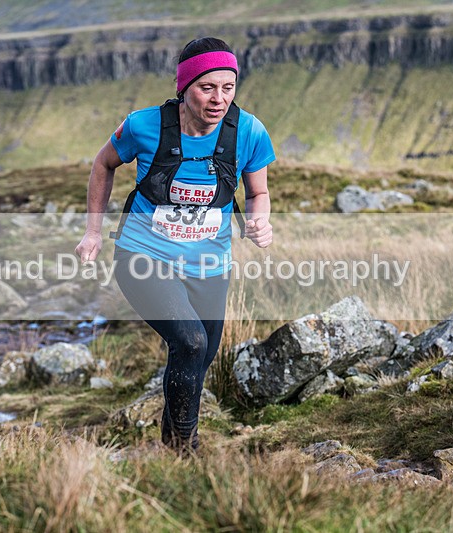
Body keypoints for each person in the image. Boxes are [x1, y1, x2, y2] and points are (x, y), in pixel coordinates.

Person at [75, 37, 276, 454]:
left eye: (228, 87)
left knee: (199, 359)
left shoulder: (249, 132)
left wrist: (260, 219)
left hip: (210, 262)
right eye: (207, 88)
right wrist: (94, 231)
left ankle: (169, 445)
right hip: (143, 256)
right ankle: (187, 450)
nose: (219, 99)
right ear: (184, 88)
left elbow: (258, 193)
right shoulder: (143, 126)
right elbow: (103, 163)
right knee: (190, 342)